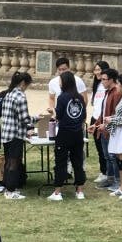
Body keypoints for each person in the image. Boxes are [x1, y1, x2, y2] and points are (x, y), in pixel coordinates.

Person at [46, 71, 87, 201]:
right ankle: (80, 191)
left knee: (61, 162)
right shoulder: (80, 98)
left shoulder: (63, 97)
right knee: (78, 162)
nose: (59, 83)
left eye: (60, 81)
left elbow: (58, 115)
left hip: (64, 133)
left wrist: (52, 112)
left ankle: (57, 192)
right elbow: (83, 115)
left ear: (64, 82)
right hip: (78, 134)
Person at [0, 71, 34, 200]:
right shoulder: (20, 96)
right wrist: (37, 119)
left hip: (6, 133)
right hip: (15, 135)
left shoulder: (8, 94)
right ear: (23, 83)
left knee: (8, 162)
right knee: (14, 163)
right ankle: (11, 190)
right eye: (27, 85)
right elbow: (24, 119)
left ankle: (8, 187)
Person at [87, 61, 112, 184]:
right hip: (95, 118)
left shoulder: (108, 86)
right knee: (99, 147)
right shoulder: (97, 85)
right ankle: (103, 171)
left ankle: (108, 173)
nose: (96, 72)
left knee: (105, 148)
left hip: (104, 119)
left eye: (99, 70)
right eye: (95, 70)